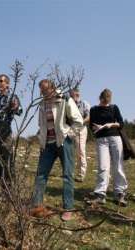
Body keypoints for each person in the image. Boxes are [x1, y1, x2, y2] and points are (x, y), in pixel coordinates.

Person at [29, 79, 83, 221]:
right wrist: (41, 138)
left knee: (67, 175)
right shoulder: (41, 104)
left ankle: (68, 208)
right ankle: (36, 206)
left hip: (64, 142)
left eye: (45, 90)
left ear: (52, 88)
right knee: (41, 174)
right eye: (41, 90)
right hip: (48, 144)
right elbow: (42, 124)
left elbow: (79, 121)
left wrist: (69, 134)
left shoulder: (64, 99)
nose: (43, 92)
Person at [88, 89, 128, 206]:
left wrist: (111, 124)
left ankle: (119, 193)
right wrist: (97, 127)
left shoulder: (114, 108)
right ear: (100, 98)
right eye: (104, 101)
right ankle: (100, 194)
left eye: (107, 101)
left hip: (115, 138)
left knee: (118, 165)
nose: (105, 103)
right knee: (103, 167)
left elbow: (121, 123)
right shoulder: (93, 109)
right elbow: (91, 126)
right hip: (101, 140)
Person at [69, 88, 90, 182]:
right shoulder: (69, 105)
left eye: (76, 95)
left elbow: (89, 117)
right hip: (71, 130)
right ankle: (71, 172)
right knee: (72, 151)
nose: (75, 97)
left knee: (81, 150)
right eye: (73, 95)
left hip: (81, 129)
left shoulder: (84, 104)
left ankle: (81, 174)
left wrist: (80, 122)